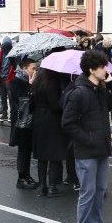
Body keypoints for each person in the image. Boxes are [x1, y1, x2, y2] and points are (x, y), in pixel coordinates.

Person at [62, 49, 112, 223]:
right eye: (102, 67)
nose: (106, 70)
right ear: (92, 69)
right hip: (86, 151)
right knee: (88, 192)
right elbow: (67, 123)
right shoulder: (79, 92)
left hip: (102, 149)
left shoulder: (100, 89)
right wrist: (88, 139)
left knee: (100, 190)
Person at [32, 68, 67, 197]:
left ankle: (42, 186)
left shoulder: (38, 80)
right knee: (54, 154)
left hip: (39, 119)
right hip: (52, 121)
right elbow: (55, 105)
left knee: (42, 155)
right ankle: (52, 186)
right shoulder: (52, 81)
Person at [8, 58, 41, 190]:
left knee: (27, 149)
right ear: (24, 68)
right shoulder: (16, 82)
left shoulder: (27, 82)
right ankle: (21, 178)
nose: (35, 71)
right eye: (33, 68)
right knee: (23, 150)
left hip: (29, 122)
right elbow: (23, 103)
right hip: (20, 123)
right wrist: (30, 85)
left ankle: (27, 176)